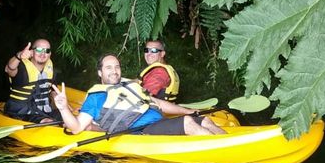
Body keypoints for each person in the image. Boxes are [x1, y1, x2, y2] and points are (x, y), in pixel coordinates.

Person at [52, 54, 224, 136]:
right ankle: (221, 151)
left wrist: (187, 111)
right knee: (188, 123)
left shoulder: (129, 86)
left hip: (159, 122)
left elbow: (158, 103)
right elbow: (76, 127)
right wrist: (62, 108)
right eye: (109, 68)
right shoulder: (96, 96)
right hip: (141, 131)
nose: (114, 71)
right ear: (100, 72)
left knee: (205, 120)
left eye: (117, 67)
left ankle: (233, 143)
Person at [4, 38, 59, 123]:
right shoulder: (21, 68)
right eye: (39, 49)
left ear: (50, 54)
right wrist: (19, 56)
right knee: (47, 121)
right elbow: (9, 69)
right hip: (21, 111)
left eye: (47, 50)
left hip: (43, 110)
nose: (43, 53)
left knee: (64, 118)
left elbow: (54, 92)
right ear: (32, 52)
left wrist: (68, 109)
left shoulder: (51, 70)